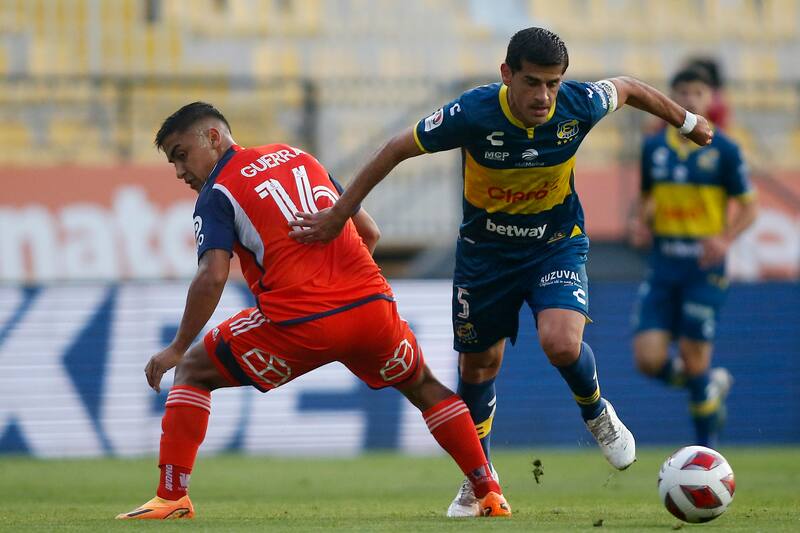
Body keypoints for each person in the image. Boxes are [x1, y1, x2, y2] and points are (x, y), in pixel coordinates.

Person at [287, 27, 714, 517]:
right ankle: (480, 483)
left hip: (555, 245)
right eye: (532, 82)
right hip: (485, 256)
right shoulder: (472, 113)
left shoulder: (579, 104)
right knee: (478, 368)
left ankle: (596, 412)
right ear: (506, 75)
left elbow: (630, 88)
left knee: (561, 342)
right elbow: (394, 149)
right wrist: (340, 214)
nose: (544, 96)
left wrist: (686, 120)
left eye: (553, 83)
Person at [115, 102, 511, 520]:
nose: (180, 171)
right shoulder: (300, 158)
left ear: (213, 138)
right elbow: (369, 231)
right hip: (372, 308)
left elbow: (213, 276)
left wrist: (177, 345)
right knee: (425, 386)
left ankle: (172, 496)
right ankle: (488, 492)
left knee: (193, 370)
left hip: (300, 324)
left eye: (181, 155)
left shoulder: (219, 192)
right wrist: (346, 293)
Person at [629, 68, 757, 448]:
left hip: (704, 268)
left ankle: (708, 456)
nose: (689, 99)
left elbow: (750, 209)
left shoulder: (726, 150)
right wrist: (640, 221)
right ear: (671, 97)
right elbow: (648, 197)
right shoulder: (653, 148)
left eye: (697, 92)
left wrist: (724, 238)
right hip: (664, 261)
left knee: (692, 354)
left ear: (709, 99)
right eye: (681, 91)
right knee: (648, 359)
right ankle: (707, 386)